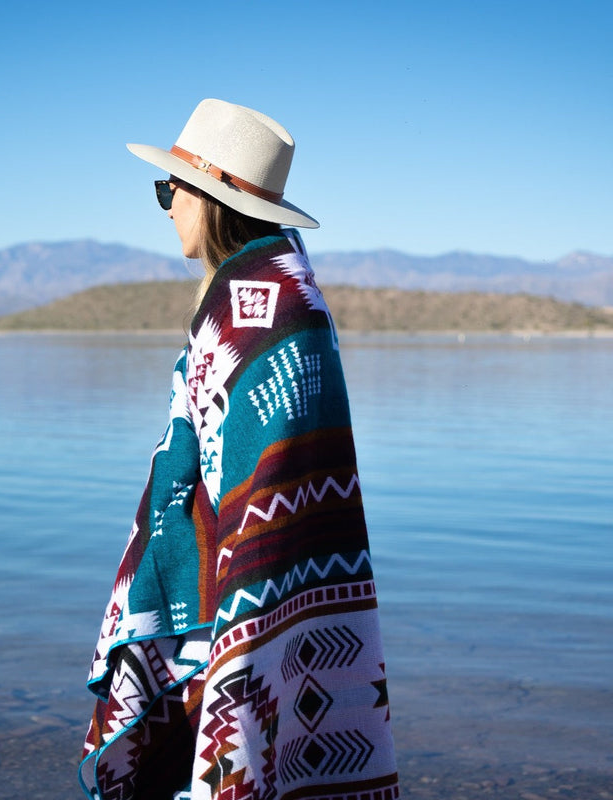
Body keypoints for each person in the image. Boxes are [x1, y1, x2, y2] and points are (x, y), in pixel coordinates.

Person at [79, 98, 399, 800]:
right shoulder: (266, 292)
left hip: (253, 587)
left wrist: (226, 607)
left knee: (245, 758)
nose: (166, 207)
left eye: (170, 189)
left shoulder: (265, 304)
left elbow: (266, 478)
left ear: (209, 197)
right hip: (244, 579)